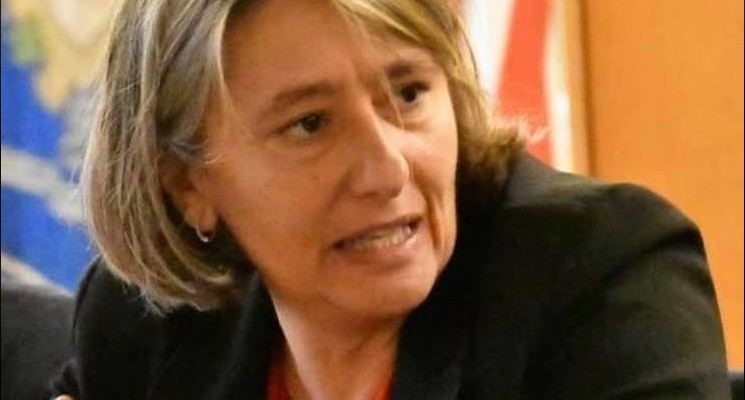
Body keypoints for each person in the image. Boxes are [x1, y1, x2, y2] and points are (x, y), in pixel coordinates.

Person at [52, 0, 730, 399]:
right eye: (309, 125)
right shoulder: (146, 326)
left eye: (407, 94)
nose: (385, 169)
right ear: (187, 184)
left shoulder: (597, 274)